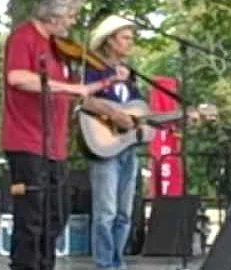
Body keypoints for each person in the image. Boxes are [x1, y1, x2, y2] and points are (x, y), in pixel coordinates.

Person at [0, 1, 130, 269]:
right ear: (53, 16)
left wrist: (104, 83)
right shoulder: (24, 37)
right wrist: (67, 88)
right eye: (70, 16)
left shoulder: (57, 49)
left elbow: (76, 93)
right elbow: (17, 77)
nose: (72, 22)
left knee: (56, 216)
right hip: (27, 141)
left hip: (54, 146)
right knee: (31, 219)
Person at [83, 15, 144, 270]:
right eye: (125, 37)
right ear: (110, 40)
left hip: (127, 147)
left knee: (124, 213)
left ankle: (118, 263)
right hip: (103, 145)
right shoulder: (93, 69)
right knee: (105, 212)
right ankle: (105, 265)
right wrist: (114, 114)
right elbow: (84, 100)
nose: (130, 43)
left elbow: (140, 111)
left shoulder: (131, 75)